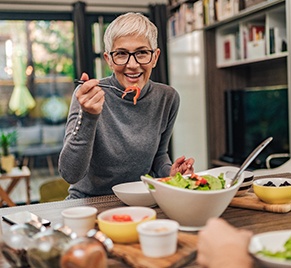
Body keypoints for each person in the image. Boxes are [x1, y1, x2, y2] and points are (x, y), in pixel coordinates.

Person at [58, 12, 195, 199]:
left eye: (142, 53)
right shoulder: (89, 97)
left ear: (155, 57)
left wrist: (170, 175)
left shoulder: (167, 98)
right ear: (109, 60)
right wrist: (89, 116)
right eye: (121, 54)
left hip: (142, 200)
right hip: (90, 203)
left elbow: (159, 155)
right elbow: (70, 174)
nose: (132, 64)